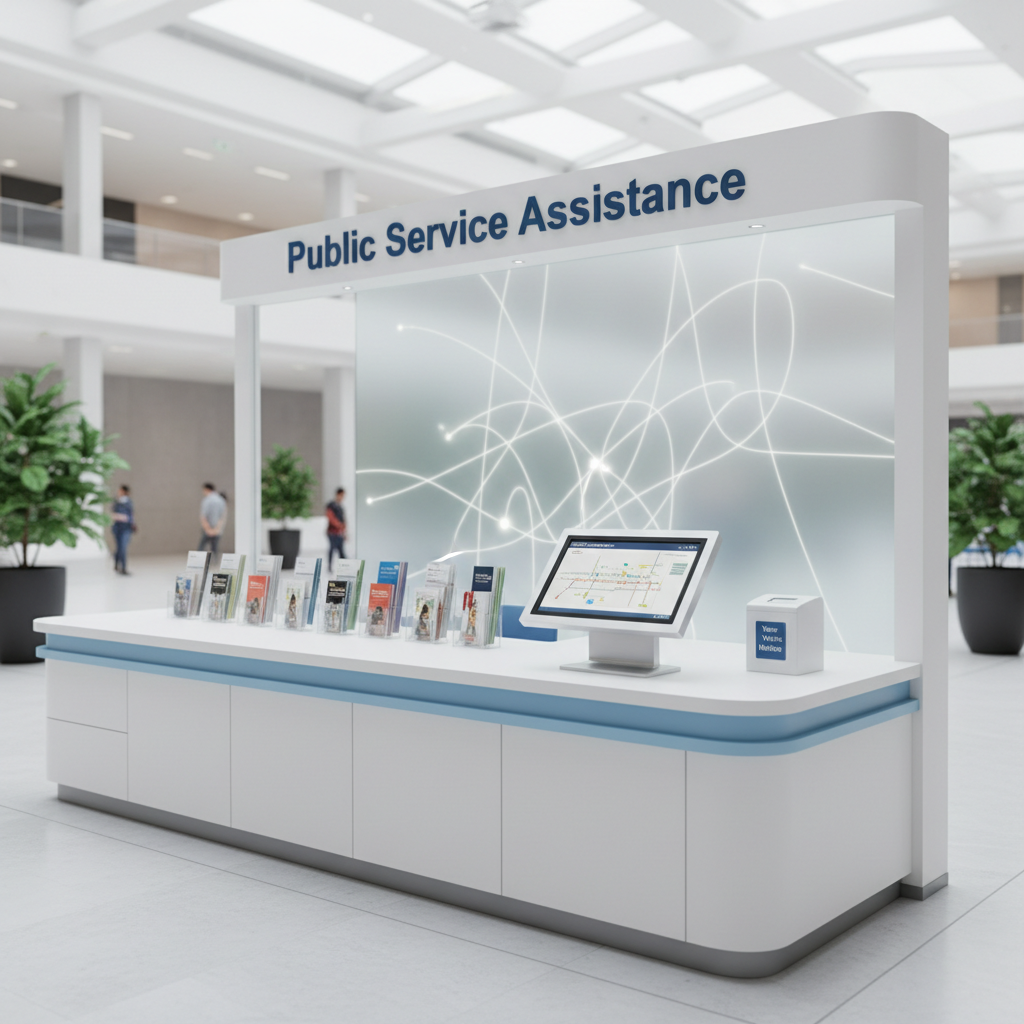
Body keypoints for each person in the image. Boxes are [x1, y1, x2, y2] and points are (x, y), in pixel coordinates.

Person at [111, 484, 134, 575]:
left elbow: (129, 516)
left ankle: (123, 568)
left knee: (123, 548)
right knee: (119, 548)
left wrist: (122, 517)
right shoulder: (117, 502)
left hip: (126, 528)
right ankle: (117, 563)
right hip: (117, 528)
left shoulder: (129, 503)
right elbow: (113, 514)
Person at [199, 483, 227, 554]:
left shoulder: (207, 500)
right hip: (217, 529)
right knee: (214, 547)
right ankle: (215, 562)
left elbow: (203, 517)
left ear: (207, 489)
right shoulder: (221, 500)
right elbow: (222, 516)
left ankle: (198, 562)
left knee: (201, 546)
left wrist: (208, 529)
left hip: (208, 528)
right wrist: (217, 529)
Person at [326, 487, 347, 570]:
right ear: (338, 494)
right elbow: (330, 517)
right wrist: (339, 525)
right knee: (332, 548)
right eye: (341, 495)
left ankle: (345, 567)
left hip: (339, 532)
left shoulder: (341, 507)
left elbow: (343, 520)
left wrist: (344, 531)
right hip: (332, 532)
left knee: (341, 551)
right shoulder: (332, 505)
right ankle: (330, 566)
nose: (342, 497)